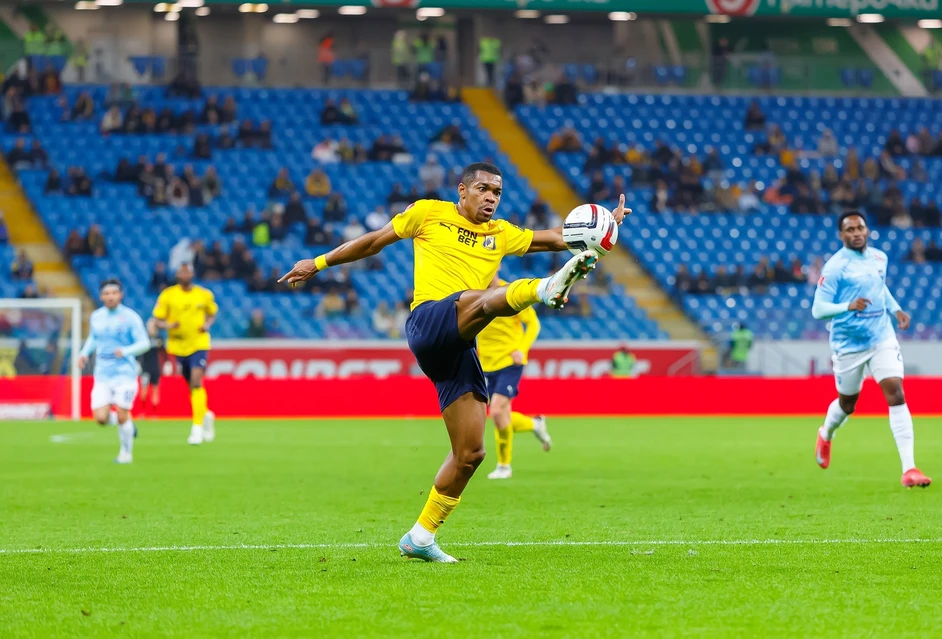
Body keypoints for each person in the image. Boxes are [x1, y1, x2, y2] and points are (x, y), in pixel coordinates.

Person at [279, 162, 630, 562]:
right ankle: (543, 289)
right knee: (476, 299)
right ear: (462, 190)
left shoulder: (502, 233)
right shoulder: (429, 212)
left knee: (470, 453)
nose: (491, 198)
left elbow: (554, 238)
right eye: (483, 189)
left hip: (458, 343)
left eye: (497, 192)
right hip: (428, 321)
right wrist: (320, 263)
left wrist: (604, 229)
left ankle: (421, 536)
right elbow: (374, 241)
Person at [812, 211, 930, 488]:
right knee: (847, 404)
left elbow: (880, 288)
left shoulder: (879, 258)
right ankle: (826, 432)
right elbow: (818, 309)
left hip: (881, 337)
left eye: (860, 227)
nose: (856, 233)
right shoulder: (835, 267)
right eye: (849, 229)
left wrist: (896, 309)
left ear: (867, 230)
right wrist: (847, 306)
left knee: (895, 391)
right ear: (841, 235)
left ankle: (909, 469)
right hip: (847, 344)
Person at [477, 276, 551, 481]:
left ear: (497, 266)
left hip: (511, 360)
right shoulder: (474, 292)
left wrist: (522, 348)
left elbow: (534, 324)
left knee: (498, 410)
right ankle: (535, 425)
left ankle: (504, 466)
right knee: (501, 415)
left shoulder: (510, 292)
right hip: (487, 363)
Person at [77, 279, 151, 464]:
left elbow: (145, 343)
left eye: (114, 293)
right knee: (101, 418)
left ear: (120, 295)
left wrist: (125, 351)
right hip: (102, 374)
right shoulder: (97, 317)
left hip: (125, 374)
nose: (110, 297)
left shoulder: (130, 317)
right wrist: (84, 353)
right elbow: (94, 337)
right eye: (106, 294)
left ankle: (126, 453)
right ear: (101, 296)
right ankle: (128, 424)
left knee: (121, 412)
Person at [148, 262, 218, 446]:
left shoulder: (204, 294)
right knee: (191, 386)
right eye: (181, 271)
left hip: (199, 343)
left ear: (193, 274)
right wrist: (168, 326)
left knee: (196, 381)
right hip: (177, 346)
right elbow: (157, 320)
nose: (185, 274)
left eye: (188, 271)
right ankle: (205, 414)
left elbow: (212, 313)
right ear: (177, 275)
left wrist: (207, 325)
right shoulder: (168, 295)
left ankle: (196, 428)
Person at [137, 328, 164, 419]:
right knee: (144, 391)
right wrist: (138, 363)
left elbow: (163, 351)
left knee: (155, 391)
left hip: (155, 368)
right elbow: (139, 353)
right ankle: (142, 412)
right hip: (145, 368)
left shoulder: (159, 339)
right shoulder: (144, 339)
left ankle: (154, 413)